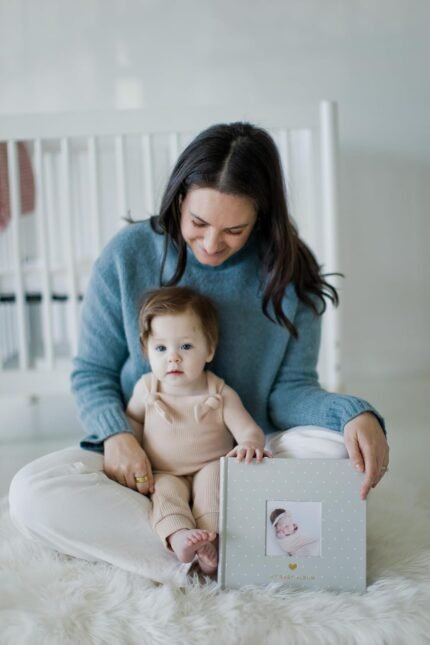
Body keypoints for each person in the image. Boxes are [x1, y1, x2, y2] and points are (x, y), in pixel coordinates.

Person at [9, 120, 389, 586]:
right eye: (198, 223)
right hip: (146, 461)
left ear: (261, 217)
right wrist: (117, 436)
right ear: (178, 200)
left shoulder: (287, 271)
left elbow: (290, 390)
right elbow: (92, 372)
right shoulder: (128, 255)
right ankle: (214, 549)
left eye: (234, 229)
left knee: (337, 448)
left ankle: (202, 543)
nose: (211, 244)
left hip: (245, 460)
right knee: (31, 494)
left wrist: (351, 414)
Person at [127, 285, 268, 575]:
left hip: (208, 465)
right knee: (164, 495)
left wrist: (249, 444)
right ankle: (179, 536)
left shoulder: (220, 393)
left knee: (212, 488)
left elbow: (248, 430)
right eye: (161, 348)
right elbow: (133, 422)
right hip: (163, 470)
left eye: (186, 347)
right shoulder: (146, 388)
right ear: (146, 351)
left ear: (209, 349)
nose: (173, 358)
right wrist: (132, 450)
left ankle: (210, 540)